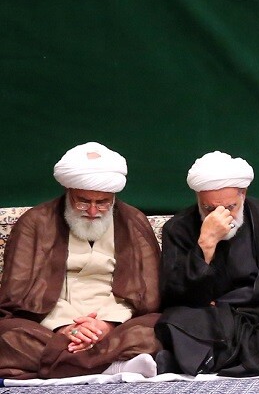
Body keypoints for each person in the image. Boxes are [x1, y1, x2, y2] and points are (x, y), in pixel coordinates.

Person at [0, 142, 163, 380]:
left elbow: (147, 293)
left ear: (114, 197)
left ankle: (64, 364)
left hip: (116, 323)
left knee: (160, 328)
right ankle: (111, 366)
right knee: (8, 334)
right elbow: (18, 294)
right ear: (69, 192)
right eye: (83, 201)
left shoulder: (133, 222)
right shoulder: (35, 223)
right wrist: (68, 327)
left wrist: (106, 325)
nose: (93, 211)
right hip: (51, 325)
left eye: (103, 202)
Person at [156, 151, 259, 376]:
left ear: (243, 194)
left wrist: (232, 302)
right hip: (212, 317)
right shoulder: (178, 228)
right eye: (209, 209)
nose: (221, 216)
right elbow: (174, 294)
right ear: (198, 199)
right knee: (175, 320)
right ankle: (228, 357)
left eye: (230, 207)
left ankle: (209, 359)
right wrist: (205, 246)